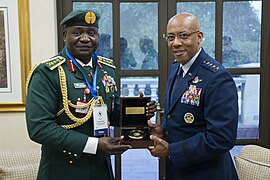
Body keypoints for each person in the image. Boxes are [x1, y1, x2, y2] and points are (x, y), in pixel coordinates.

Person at [25, 10, 156, 180]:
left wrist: (139, 111)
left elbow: (112, 114)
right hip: (63, 170)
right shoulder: (47, 72)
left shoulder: (106, 69)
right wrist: (94, 145)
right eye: (78, 32)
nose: (85, 38)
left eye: (91, 33)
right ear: (65, 36)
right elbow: (39, 128)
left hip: (100, 168)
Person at [148, 13, 239, 179]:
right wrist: (163, 131)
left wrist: (171, 150)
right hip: (179, 171)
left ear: (199, 37)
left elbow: (221, 138)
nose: (176, 43)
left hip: (207, 173)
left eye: (183, 36)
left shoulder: (217, 77)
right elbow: (180, 118)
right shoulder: (176, 68)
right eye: (170, 37)